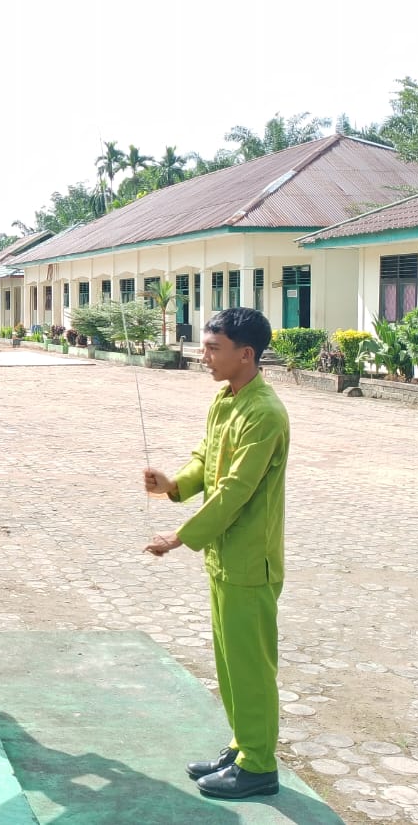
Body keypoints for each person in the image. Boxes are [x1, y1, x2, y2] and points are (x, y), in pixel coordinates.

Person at [142, 308, 289, 800]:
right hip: (225, 555)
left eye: (212, 348)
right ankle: (242, 745)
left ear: (245, 354)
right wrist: (174, 484)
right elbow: (207, 458)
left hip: (251, 560)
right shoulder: (225, 400)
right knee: (228, 663)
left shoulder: (265, 413)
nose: (202, 356)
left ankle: (259, 767)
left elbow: (234, 490)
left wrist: (177, 536)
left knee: (251, 667)